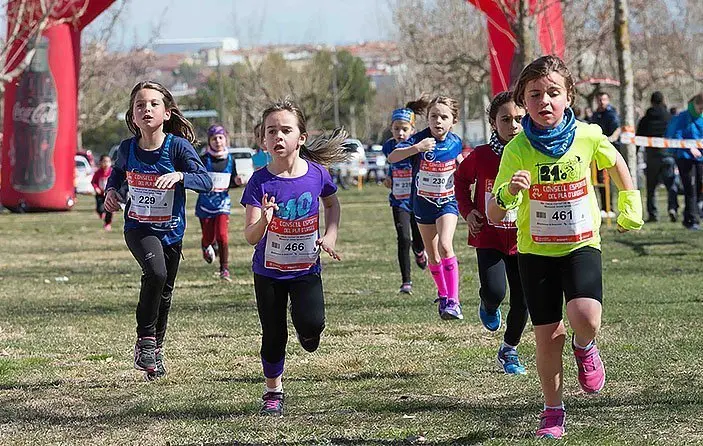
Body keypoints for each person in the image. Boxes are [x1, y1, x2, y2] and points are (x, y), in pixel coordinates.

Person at [487, 56, 643, 439]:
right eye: (535, 94)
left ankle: (586, 345)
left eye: (553, 93)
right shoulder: (518, 149)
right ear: (524, 101)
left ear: (568, 96)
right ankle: (553, 411)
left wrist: (630, 202)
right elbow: (493, 210)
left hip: (581, 243)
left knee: (586, 316)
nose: (545, 101)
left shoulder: (588, 135)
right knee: (547, 336)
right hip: (536, 251)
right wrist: (509, 191)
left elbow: (616, 162)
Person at [241, 99, 346, 416]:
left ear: (301, 137)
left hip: (305, 268)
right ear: (263, 140)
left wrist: (330, 235)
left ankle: (307, 331)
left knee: (312, 327)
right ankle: (273, 391)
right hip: (269, 271)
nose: (278, 136)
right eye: (271, 131)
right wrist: (264, 220)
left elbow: (332, 205)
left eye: (285, 130)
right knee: (274, 334)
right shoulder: (260, 182)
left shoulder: (317, 174)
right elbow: (249, 236)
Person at [104, 81, 212, 380]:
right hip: (138, 227)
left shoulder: (177, 147)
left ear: (166, 113)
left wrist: (179, 175)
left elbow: (204, 181)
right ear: (133, 115)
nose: (146, 109)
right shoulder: (127, 148)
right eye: (140, 105)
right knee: (157, 273)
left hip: (171, 232)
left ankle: (154, 353)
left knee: (164, 291)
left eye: (153, 104)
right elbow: (115, 174)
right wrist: (111, 191)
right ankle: (145, 340)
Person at [454, 91, 529, 375]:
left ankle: (509, 350)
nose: (513, 126)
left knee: (524, 300)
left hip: (525, 239)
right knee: (496, 290)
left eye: (519, 119)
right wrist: (469, 210)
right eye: (506, 119)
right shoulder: (482, 156)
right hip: (489, 236)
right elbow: (460, 181)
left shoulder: (531, 153)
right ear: (493, 123)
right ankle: (488, 303)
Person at [387, 95, 465, 320]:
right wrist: (416, 148)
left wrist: (464, 166)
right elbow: (393, 156)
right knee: (432, 255)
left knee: (445, 245)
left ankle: (454, 300)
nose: (438, 121)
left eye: (444, 117)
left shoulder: (455, 141)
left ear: (453, 121)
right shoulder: (419, 140)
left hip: (447, 203)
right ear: (427, 119)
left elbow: (457, 158)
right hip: (422, 204)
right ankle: (442, 295)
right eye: (433, 116)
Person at [382, 101, 428, 295]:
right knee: (403, 238)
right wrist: (388, 179)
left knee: (418, 239)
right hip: (399, 200)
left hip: (416, 199)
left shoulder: (416, 146)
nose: (400, 133)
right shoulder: (388, 147)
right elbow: (390, 167)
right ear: (391, 129)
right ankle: (406, 281)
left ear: (412, 129)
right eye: (396, 129)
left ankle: (420, 252)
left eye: (404, 129)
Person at [196, 124, 242, 281]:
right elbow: (197, 180)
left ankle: (224, 269)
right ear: (209, 141)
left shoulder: (231, 159)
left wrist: (237, 181)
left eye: (220, 138)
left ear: (226, 139)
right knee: (208, 237)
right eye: (214, 138)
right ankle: (206, 246)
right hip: (205, 204)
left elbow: (232, 181)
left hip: (222, 204)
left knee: (222, 236)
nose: (218, 141)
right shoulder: (203, 160)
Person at [665, 93, 703, 230]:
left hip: (700, 158)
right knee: (690, 187)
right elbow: (676, 135)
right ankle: (692, 220)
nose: (701, 112)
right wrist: (689, 147)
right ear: (696, 105)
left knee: (699, 186)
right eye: (700, 109)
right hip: (685, 157)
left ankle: (690, 213)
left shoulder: (702, 118)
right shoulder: (683, 117)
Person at [637, 91, 676, 222]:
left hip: (652, 156)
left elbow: (639, 137)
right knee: (671, 184)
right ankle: (673, 207)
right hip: (668, 155)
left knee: (651, 187)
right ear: (663, 100)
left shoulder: (646, 119)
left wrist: (636, 152)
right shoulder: (669, 117)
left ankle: (653, 214)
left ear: (651, 102)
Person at [589, 91, 621, 216]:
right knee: (598, 179)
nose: (601, 102)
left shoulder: (611, 113)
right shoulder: (596, 114)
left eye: (604, 99)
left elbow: (617, 129)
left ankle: (610, 207)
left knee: (607, 179)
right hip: (597, 151)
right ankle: (603, 208)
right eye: (599, 100)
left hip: (610, 149)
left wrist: (610, 139)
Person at [91, 154, 113, 231]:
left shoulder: (112, 172)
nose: (106, 163)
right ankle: (101, 213)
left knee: (109, 210)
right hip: (100, 194)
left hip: (109, 194)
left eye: (108, 161)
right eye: (104, 161)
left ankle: (107, 223)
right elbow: (93, 182)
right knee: (99, 208)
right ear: (100, 163)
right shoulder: (98, 173)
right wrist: (96, 188)